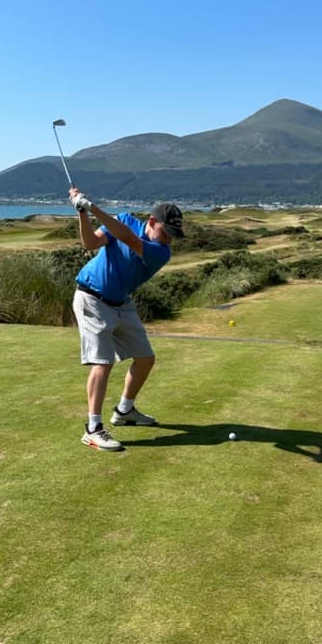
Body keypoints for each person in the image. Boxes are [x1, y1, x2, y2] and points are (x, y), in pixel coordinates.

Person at [68, 187, 184, 451]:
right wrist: (83, 212)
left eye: (173, 236)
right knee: (102, 362)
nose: (168, 240)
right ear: (152, 222)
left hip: (122, 303)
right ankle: (93, 429)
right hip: (91, 298)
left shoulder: (161, 252)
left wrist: (93, 206)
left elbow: (128, 238)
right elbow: (90, 243)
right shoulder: (122, 219)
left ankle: (124, 411)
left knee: (145, 358)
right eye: (166, 233)